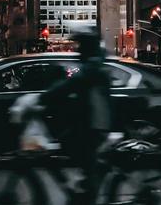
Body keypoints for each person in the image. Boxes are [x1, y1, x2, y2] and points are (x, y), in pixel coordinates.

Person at [39, 28, 113, 204]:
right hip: (90, 120)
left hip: (96, 123)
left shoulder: (92, 65)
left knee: (70, 148)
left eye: (81, 45)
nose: (78, 49)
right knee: (75, 152)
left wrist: (44, 96)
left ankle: (89, 191)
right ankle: (89, 186)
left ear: (88, 46)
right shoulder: (93, 61)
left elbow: (73, 83)